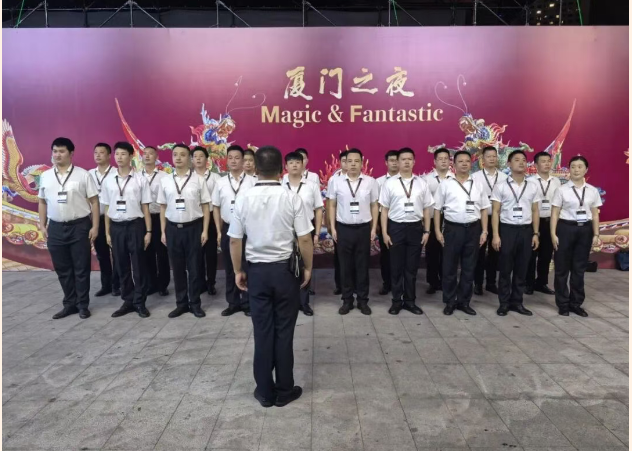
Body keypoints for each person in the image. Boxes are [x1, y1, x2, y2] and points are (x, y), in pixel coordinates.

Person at [228, 145, 314, 408]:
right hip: (285, 272)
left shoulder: (244, 198)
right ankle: (285, 389)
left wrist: (238, 271)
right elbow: (304, 239)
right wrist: (308, 268)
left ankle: (264, 392)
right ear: (281, 169)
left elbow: (235, 240)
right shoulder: (291, 197)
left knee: (262, 331)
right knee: (284, 331)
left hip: (257, 272)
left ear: (254, 168)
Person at [38, 137, 100, 319]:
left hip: (79, 226)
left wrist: (95, 226)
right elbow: (42, 202)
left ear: (71, 153)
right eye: (55, 151)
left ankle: (83, 305)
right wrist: (42, 224)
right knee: (62, 268)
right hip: (56, 227)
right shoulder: (45, 176)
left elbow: (94, 202)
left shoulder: (83, 175)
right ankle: (69, 304)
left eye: (61, 151)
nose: (57, 155)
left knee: (81, 268)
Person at [158, 144, 211, 318]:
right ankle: (181, 303)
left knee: (194, 268)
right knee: (178, 268)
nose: (178, 158)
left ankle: (195, 303)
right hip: (172, 229)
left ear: (189, 158)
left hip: (193, 228)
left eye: (182, 155)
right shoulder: (165, 180)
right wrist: (163, 231)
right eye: (175, 154)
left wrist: (205, 231)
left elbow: (205, 206)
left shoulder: (198, 180)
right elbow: (163, 207)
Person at [434, 151, 489, 315]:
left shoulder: (478, 184)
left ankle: (464, 302)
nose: (464, 164)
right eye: (460, 161)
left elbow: (484, 209)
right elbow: (437, 209)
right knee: (449, 267)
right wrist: (437, 231)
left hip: (473, 229)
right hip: (452, 229)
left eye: (467, 161)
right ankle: (450, 301)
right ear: (454, 164)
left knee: (469, 267)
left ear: (471, 164)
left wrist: (484, 231)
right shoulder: (446, 184)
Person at [379, 148, 434, 315]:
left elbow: (426, 209)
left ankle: (410, 301)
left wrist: (427, 231)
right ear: (398, 162)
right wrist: (385, 233)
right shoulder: (389, 183)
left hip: (415, 228)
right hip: (395, 228)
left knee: (411, 268)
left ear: (414, 162)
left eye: (410, 159)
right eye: (403, 159)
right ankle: (396, 301)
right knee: (396, 267)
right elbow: (384, 210)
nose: (406, 162)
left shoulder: (421, 183)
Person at [101, 142, 153, 318]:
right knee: (121, 265)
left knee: (138, 265)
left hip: (135, 225)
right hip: (116, 226)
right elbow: (107, 208)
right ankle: (128, 300)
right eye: (117, 154)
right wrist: (107, 232)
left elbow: (145, 207)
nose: (119, 157)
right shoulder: (108, 180)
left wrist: (148, 231)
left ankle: (140, 302)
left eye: (123, 154)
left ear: (131, 156)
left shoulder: (140, 179)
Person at [491, 150, 542, 317]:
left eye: (523, 160)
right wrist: (496, 235)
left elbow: (535, 211)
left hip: (526, 231)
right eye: (517, 160)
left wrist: (535, 233)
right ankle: (504, 303)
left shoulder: (533, 186)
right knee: (505, 269)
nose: (521, 163)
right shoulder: (501, 186)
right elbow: (495, 212)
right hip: (507, 230)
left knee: (522, 268)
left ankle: (517, 302)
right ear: (509, 164)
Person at [328, 148, 378, 315]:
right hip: (344, 228)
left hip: (363, 229)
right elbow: (332, 205)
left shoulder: (370, 182)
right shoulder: (336, 182)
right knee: (345, 267)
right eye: (350, 161)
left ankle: (363, 301)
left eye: (357, 161)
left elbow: (374, 205)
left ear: (362, 163)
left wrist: (373, 228)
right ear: (344, 163)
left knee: (362, 266)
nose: (353, 164)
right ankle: (347, 300)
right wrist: (333, 228)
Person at [550, 155, 601, 317]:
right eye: (573, 167)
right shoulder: (561, 190)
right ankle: (563, 304)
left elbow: (595, 214)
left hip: (585, 230)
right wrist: (553, 234)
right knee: (561, 269)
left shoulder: (592, 191)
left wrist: (596, 234)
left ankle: (576, 303)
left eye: (580, 167)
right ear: (569, 169)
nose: (576, 170)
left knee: (579, 269)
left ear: (586, 169)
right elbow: (555, 213)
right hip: (565, 228)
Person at [212, 144, 256, 316]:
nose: (233, 161)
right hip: (228, 229)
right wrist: (218, 231)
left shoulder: (253, 182)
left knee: (248, 266)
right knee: (230, 267)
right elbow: (216, 207)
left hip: (248, 230)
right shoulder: (220, 182)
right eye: (230, 158)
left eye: (237, 158)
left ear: (243, 160)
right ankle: (232, 302)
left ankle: (247, 302)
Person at [285, 151, 323, 316]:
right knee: (287, 265)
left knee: (306, 264)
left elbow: (319, 209)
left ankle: (304, 302)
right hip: (286, 230)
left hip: (307, 229)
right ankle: (289, 302)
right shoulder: (280, 185)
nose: (294, 165)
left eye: (297, 162)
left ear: (303, 165)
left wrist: (317, 233)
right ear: (286, 166)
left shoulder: (311, 186)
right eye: (291, 162)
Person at [472, 146, 507, 295]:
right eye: (489, 156)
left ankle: (491, 282)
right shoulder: (475, 177)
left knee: (495, 251)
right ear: (483, 159)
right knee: (478, 252)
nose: (492, 159)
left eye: (494, 156)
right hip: (481, 219)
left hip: (499, 219)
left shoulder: (505, 177)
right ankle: (478, 283)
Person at [526, 151, 560, 295]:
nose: (547, 164)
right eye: (543, 161)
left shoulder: (556, 181)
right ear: (536, 165)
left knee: (546, 254)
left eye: (548, 161)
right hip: (534, 221)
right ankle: (528, 283)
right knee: (531, 254)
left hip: (550, 221)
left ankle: (541, 282)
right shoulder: (530, 181)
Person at [423, 147, 455, 294]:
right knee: (432, 252)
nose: (443, 161)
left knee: (448, 252)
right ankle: (432, 282)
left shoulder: (455, 178)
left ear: (450, 161)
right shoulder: (426, 180)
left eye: (446, 159)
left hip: (450, 219)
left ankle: (445, 281)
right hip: (431, 219)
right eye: (440, 159)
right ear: (434, 161)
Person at [90, 142, 120, 297]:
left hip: (113, 219)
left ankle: (117, 284)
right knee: (101, 253)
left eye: (101, 152)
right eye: (96, 152)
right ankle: (106, 285)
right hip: (96, 219)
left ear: (109, 155)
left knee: (117, 253)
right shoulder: (89, 174)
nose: (98, 155)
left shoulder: (116, 173)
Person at [192, 146, 221, 296]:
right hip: (195, 218)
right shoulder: (189, 178)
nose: (198, 158)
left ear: (206, 159)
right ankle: (200, 282)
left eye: (201, 156)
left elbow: (218, 203)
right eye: (195, 156)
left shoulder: (215, 178)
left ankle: (211, 282)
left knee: (210, 253)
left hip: (211, 216)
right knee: (196, 253)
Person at [142, 146, 170, 296]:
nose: (147, 156)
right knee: (147, 252)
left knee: (162, 252)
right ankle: (151, 283)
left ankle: (163, 284)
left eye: (150, 154)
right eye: (144, 153)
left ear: (156, 156)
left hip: (160, 216)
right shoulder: (136, 176)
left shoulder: (164, 177)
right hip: (143, 218)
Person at [375, 150, 399, 296]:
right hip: (385, 221)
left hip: (401, 221)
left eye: (397, 160)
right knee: (386, 255)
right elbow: (376, 205)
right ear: (386, 163)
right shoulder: (379, 182)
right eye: (391, 160)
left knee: (400, 255)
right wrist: (377, 224)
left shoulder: (409, 180)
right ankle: (387, 283)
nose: (394, 163)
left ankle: (399, 284)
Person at [326, 150, 349, 295]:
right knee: (340, 255)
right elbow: (329, 202)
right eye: (344, 161)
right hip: (339, 223)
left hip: (355, 223)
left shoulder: (362, 180)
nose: (347, 164)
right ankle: (340, 285)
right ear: (340, 163)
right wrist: (330, 224)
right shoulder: (334, 180)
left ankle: (354, 285)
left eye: (350, 161)